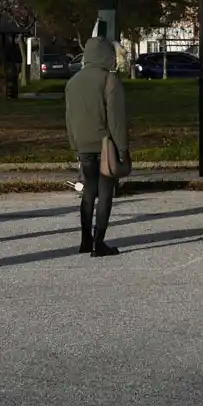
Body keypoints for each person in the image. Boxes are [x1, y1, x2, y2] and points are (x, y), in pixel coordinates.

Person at [66, 37, 129, 257]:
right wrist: (123, 149)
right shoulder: (109, 81)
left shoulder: (72, 82)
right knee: (105, 192)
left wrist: (74, 143)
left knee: (88, 191)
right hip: (105, 144)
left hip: (82, 143)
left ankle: (85, 239)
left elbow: (69, 117)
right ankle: (99, 243)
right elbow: (116, 119)